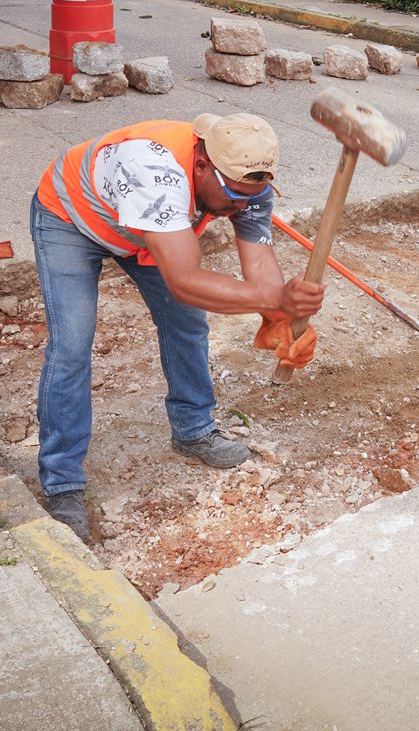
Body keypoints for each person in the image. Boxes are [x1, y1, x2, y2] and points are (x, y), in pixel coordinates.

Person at [31, 111, 325, 542]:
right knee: (72, 343)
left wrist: (281, 316)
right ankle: (62, 482)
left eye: (251, 196)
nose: (239, 206)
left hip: (153, 229)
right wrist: (276, 299)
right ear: (202, 164)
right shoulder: (153, 172)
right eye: (233, 196)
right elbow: (185, 281)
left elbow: (261, 272)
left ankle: (194, 430)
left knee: (187, 324)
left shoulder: (247, 186)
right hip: (74, 219)